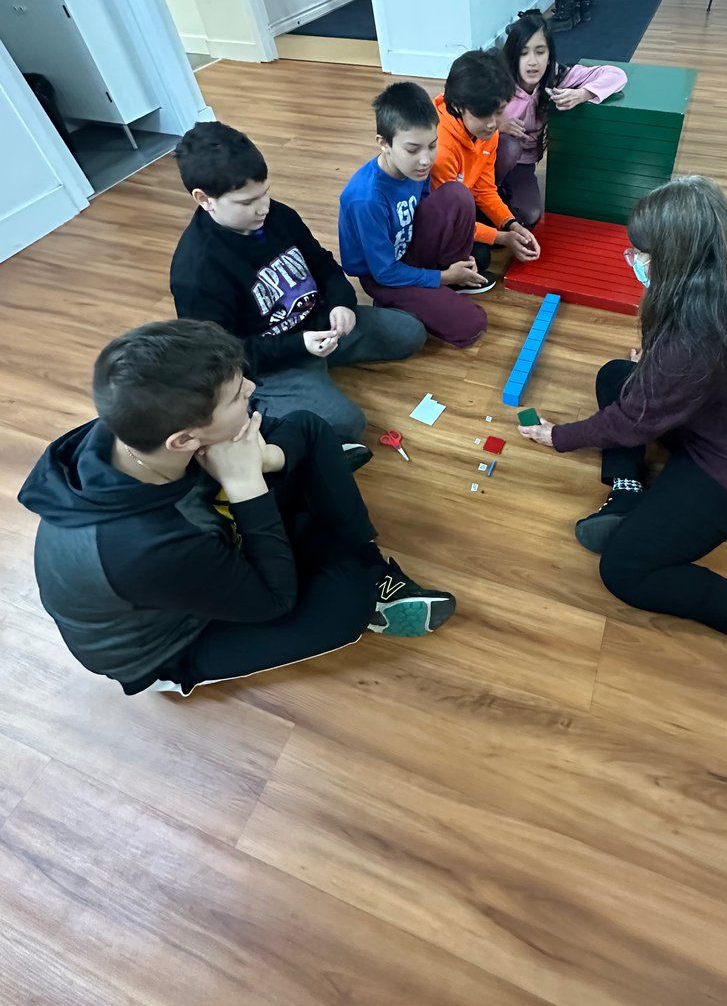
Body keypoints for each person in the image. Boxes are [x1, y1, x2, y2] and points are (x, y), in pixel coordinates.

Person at [518, 176, 727, 727]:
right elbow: (666, 387)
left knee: (627, 571)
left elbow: (636, 417)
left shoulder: (701, 330)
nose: (634, 259)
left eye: (643, 253)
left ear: (676, 257)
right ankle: (629, 492)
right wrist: (657, 361)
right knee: (617, 374)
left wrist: (559, 437)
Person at [17, 320, 456, 697]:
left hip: (196, 555)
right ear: (185, 440)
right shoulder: (145, 547)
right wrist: (247, 484)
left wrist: (269, 460)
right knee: (344, 606)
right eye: (236, 396)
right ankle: (366, 574)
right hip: (177, 640)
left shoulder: (135, 430)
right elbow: (273, 601)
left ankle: (356, 549)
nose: (252, 387)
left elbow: (275, 430)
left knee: (305, 429)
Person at [170, 122, 426, 449]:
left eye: (264, 193)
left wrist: (341, 303)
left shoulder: (278, 216)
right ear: (204, 199)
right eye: (247, 202)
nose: (262, 207)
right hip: (273, 363)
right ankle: (261, 411)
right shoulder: (197, 270)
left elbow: (323, 264)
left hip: (322, 328)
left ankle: (316, 374)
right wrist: (299, 346)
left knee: (410, 333)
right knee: (347, 424)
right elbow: (226, 356)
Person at [339, 81, 495, 350]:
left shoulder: (415, 170)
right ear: (383, 143)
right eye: (413, 150)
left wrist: (451, 260)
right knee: (472, 324)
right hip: (383, 276)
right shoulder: (366, 199)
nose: (425, 160)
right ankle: (397, 300)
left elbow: (425, 206)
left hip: (408, 247)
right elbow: (385, 271)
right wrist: (444, 277)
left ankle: (441, 284)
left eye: (432, 146)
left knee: (458, 195)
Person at [498, 10, 628, 228]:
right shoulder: (498, 79)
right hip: (489, 159)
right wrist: (497, 124)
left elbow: (617, 75)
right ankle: (486, 192)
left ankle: (500, 195)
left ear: (549, 55)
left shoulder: (557, 76)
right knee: (509, 147)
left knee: (530, 215)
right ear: (513, 55)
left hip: (524, 165)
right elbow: (463, 112)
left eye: (540, 52)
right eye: (524, 53)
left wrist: (583, 94)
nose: (532, 62)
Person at [432, 49, 541, 275]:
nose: (493, 124)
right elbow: (445, 218)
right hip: (436, 218)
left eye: (500, 111)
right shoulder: (441, 149)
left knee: (509, 225)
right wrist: (502, 236)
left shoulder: (484, 133)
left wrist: (511, 224)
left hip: (461, 204)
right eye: (483, 114)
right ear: (459, 106)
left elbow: (483, 188)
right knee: (480, 257)